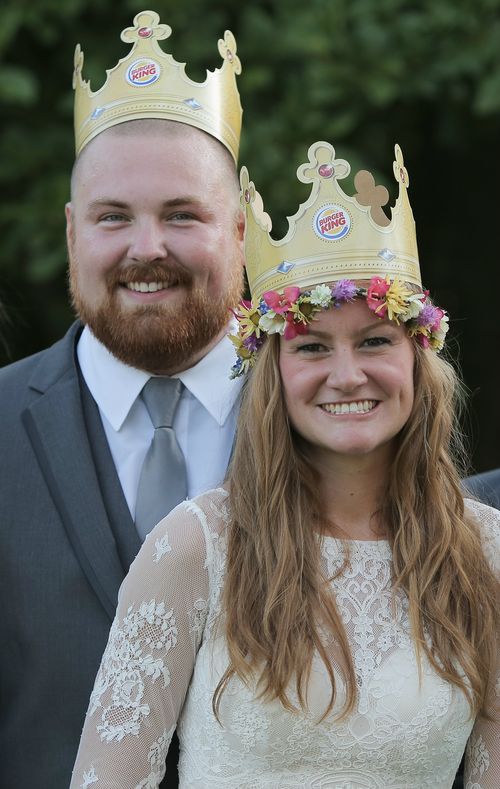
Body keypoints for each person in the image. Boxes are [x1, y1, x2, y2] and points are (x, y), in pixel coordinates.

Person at [70, 140, 500, 788]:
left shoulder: (485, 555)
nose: (347, 373)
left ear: (418, 355)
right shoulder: (197, 547)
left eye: (375, 340)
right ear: (275, 373)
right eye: (313, 347)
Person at [0, 11, 245, 789]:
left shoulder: (344, 422)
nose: (148, 248)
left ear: (240, 230)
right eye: (114, 217)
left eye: (182, 214)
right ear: (73, 234)